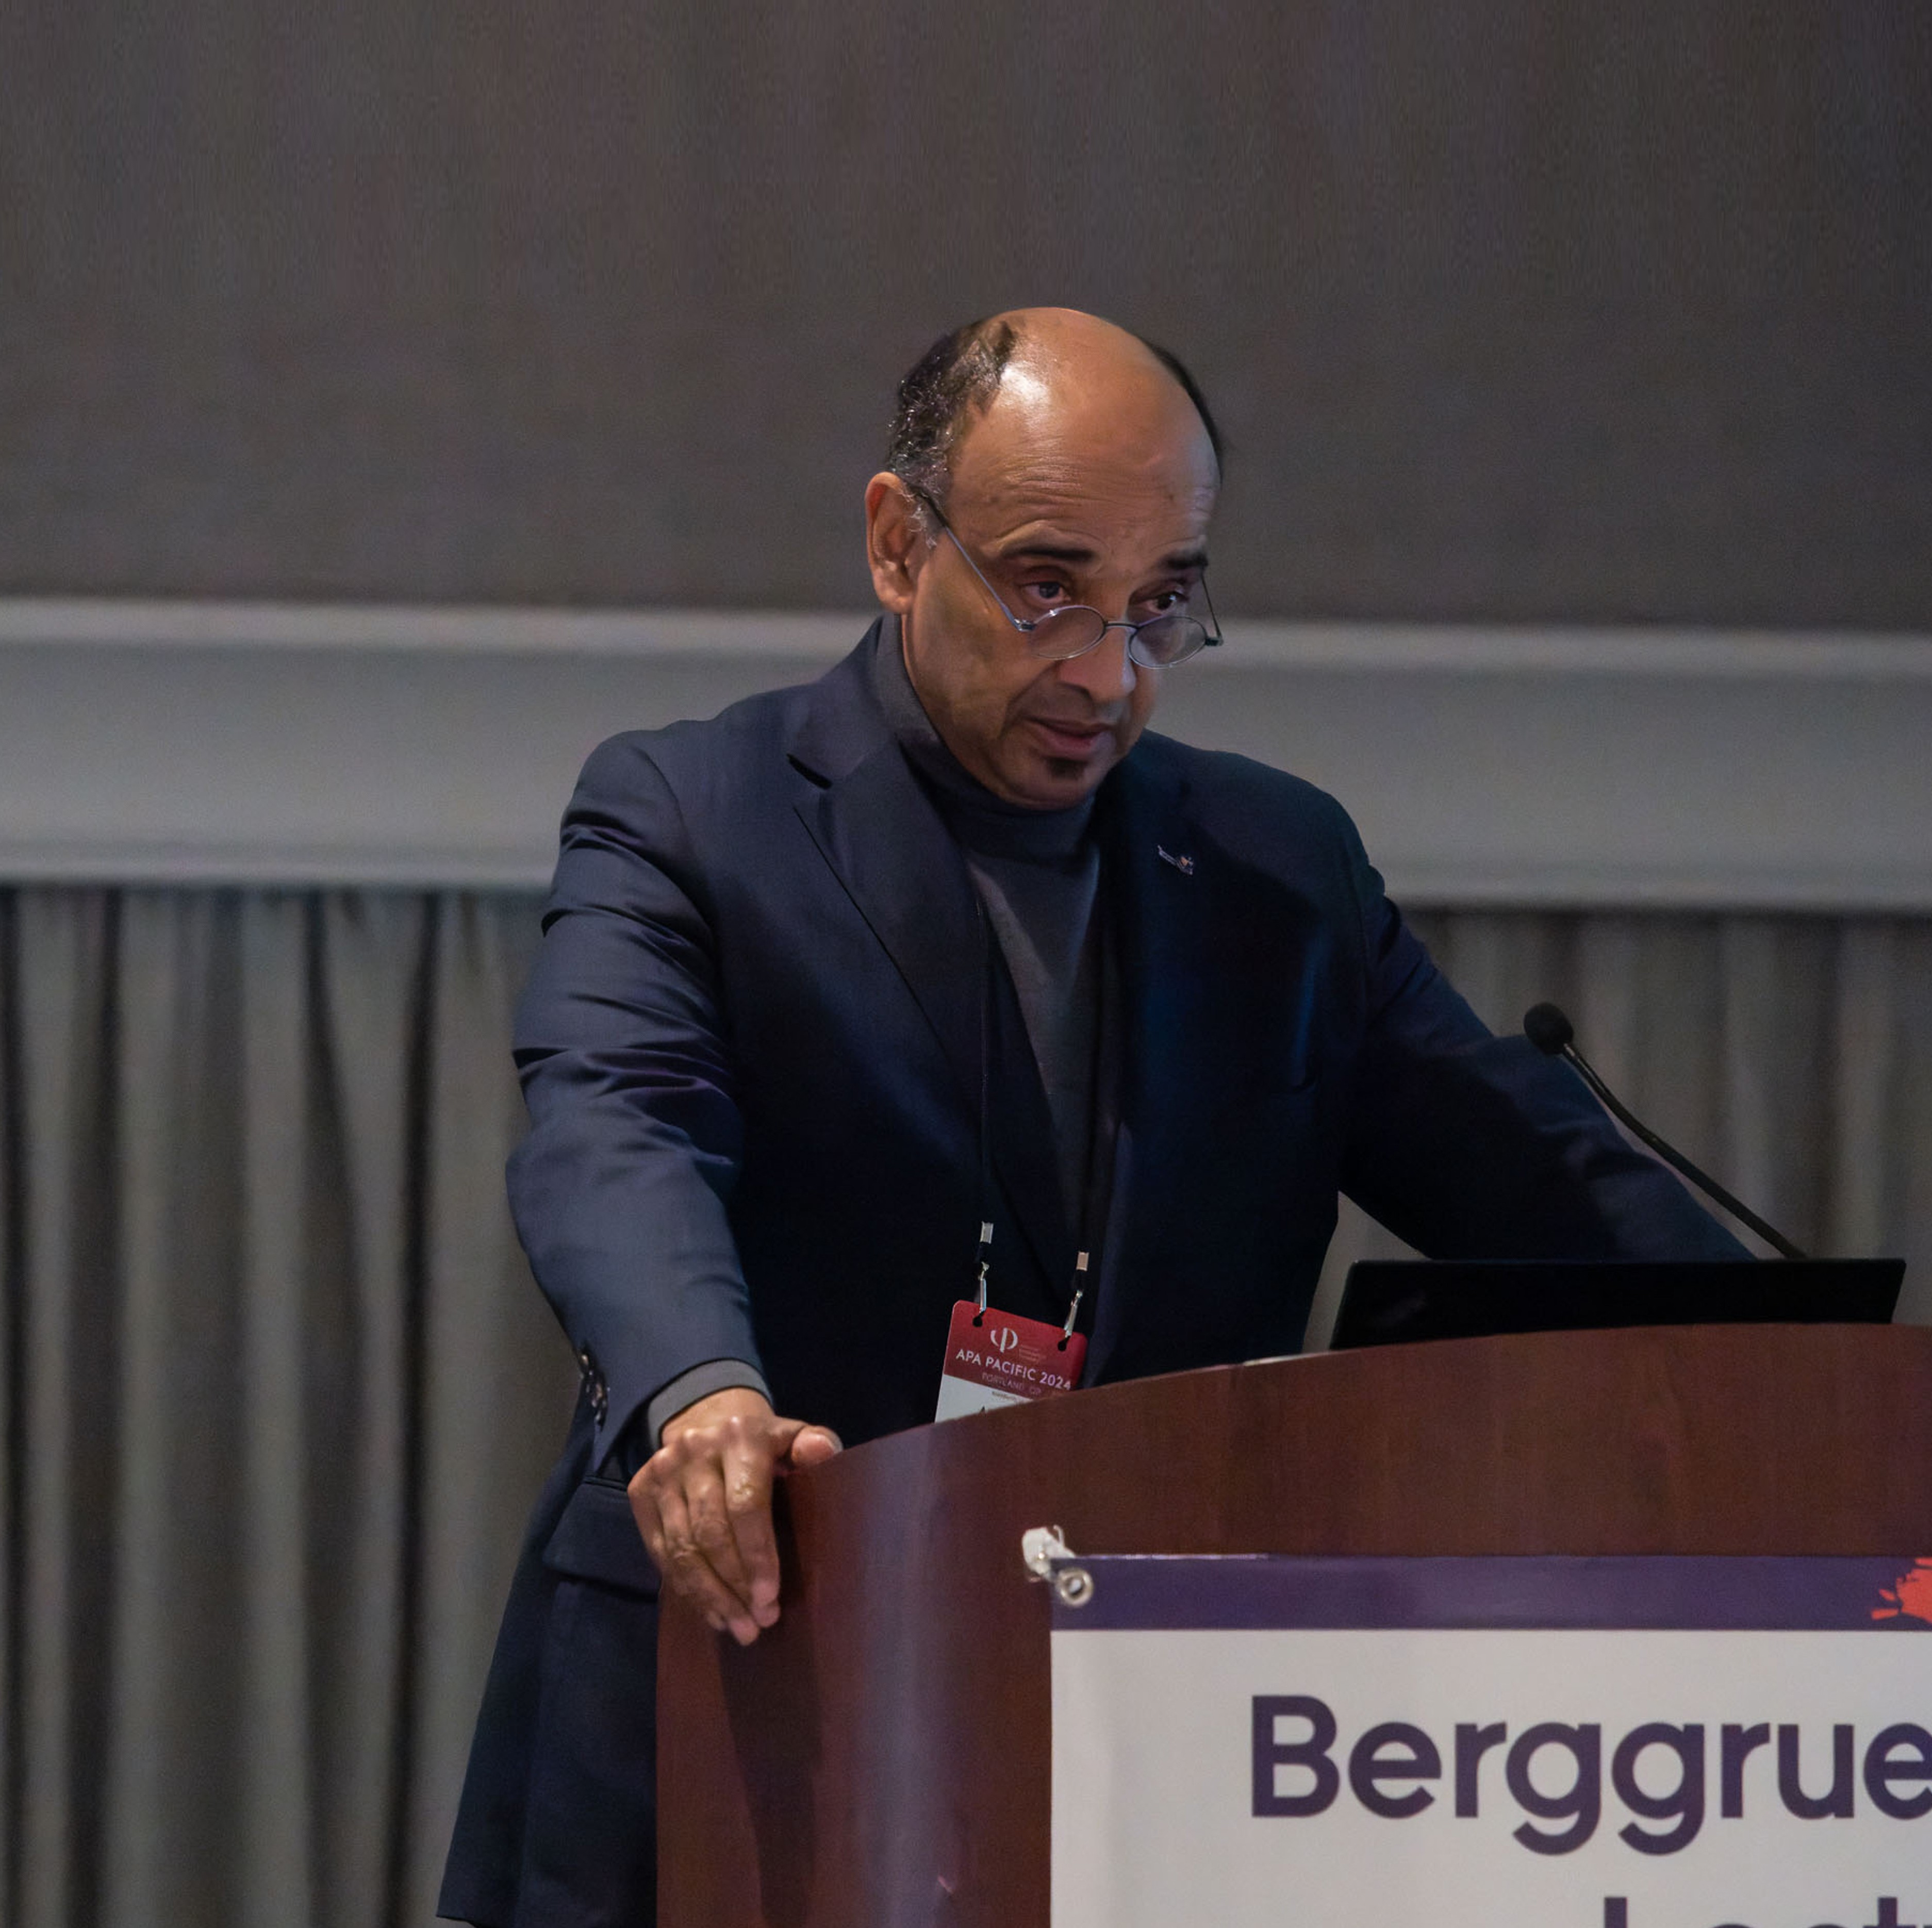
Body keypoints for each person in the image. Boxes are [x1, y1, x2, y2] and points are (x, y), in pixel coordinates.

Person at [439, 308, 1743, 1926]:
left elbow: (1535, 1178)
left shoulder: (1280, 872)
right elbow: (612, 1124)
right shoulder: (694, 814)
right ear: (898, 541)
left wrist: (1816, 1363)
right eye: (1050, 588)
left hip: (1139, 1742)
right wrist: (700, 1393)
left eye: (1162, 605)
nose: (1108, 673)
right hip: (739, 1707)